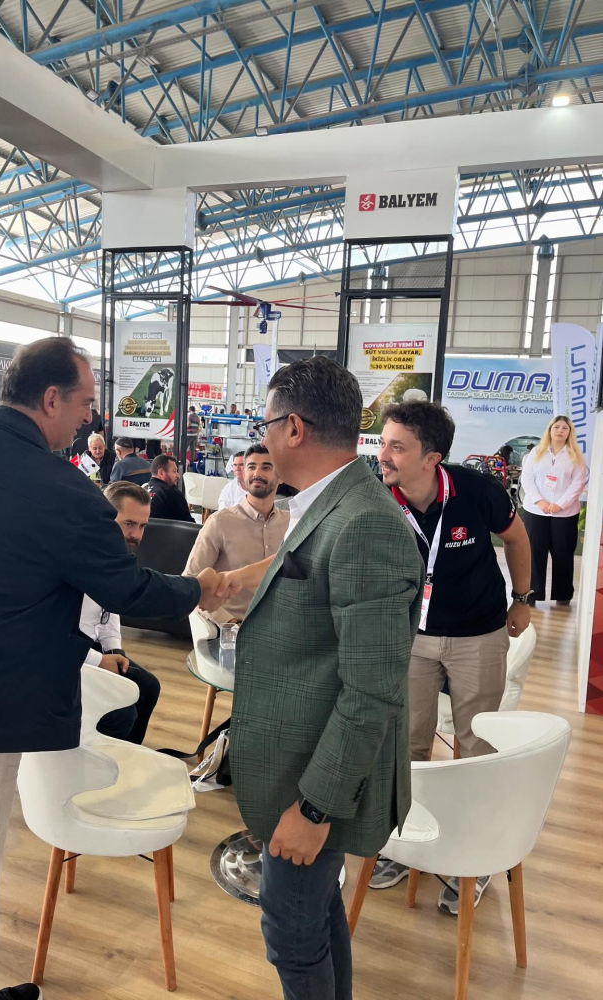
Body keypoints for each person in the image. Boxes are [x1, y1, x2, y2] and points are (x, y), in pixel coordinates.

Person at [0, 336, 230, 1000]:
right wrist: (202, 588)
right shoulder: (67, 494)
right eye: (85, 402)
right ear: (52, 399)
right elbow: (131, 590)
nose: (90, 417)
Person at [214, 358, 423, 1000]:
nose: (262, 439)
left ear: (294, 428)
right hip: (298, 761)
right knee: (316, 919)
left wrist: (314, 808)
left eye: (266, 424)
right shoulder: (329, 503)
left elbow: (372, 691)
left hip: (315, 781)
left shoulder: (365, 523)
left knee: (292, 935)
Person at [372, 400, 532, 913]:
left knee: (475, 746)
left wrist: (522, 599)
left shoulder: (476, 491)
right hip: (410, 636)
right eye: (384, 442)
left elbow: (516, 538)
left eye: (398, 447)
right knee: (408, 743)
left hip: (477, 635)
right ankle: (406, 840)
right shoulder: (378, 494)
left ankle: (475, 857)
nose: (384, 454)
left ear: (431, 458)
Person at [80, 482, 162, 744]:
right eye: (128, 524)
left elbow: (109, 609)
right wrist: (99, 661)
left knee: (148, 687)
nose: (136, 534)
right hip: (61, 655)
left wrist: (114, 650)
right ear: (105, 516)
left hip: (90, 646)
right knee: (120, 715)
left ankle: (127, 758)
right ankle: (91, 764)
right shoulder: (78, 557)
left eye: (142, 526)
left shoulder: (115, 557)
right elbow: (52, 634)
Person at [185, 444, 289, 623]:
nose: (257, 473)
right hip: (235, 626)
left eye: (266, 467)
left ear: (280, 477)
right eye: (251, 467)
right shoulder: (220, 522)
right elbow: (190, 583)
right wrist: (229, 623)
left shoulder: (291, 524)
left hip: (281, 624)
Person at [521, 415, 586, 607]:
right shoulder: (536, 452)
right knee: (534, 552)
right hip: (536, 511)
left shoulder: (575, 455)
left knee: (563, 553)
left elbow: (578, 483)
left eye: (564, 428)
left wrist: (560, 504)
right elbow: (527, 479)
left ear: (569, 432)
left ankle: (563, 594)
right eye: (556, 427)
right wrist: (540, 501)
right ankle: (532, 593)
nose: (560, 431)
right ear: (549, 430)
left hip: (564, 513)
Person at [147, 454, 194, 523]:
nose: (178, 476)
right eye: (174, 471)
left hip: (146, 529)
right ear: (161, 473)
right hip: (165, 530)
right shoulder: (171, 493)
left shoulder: (143, 489)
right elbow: (189, 524)